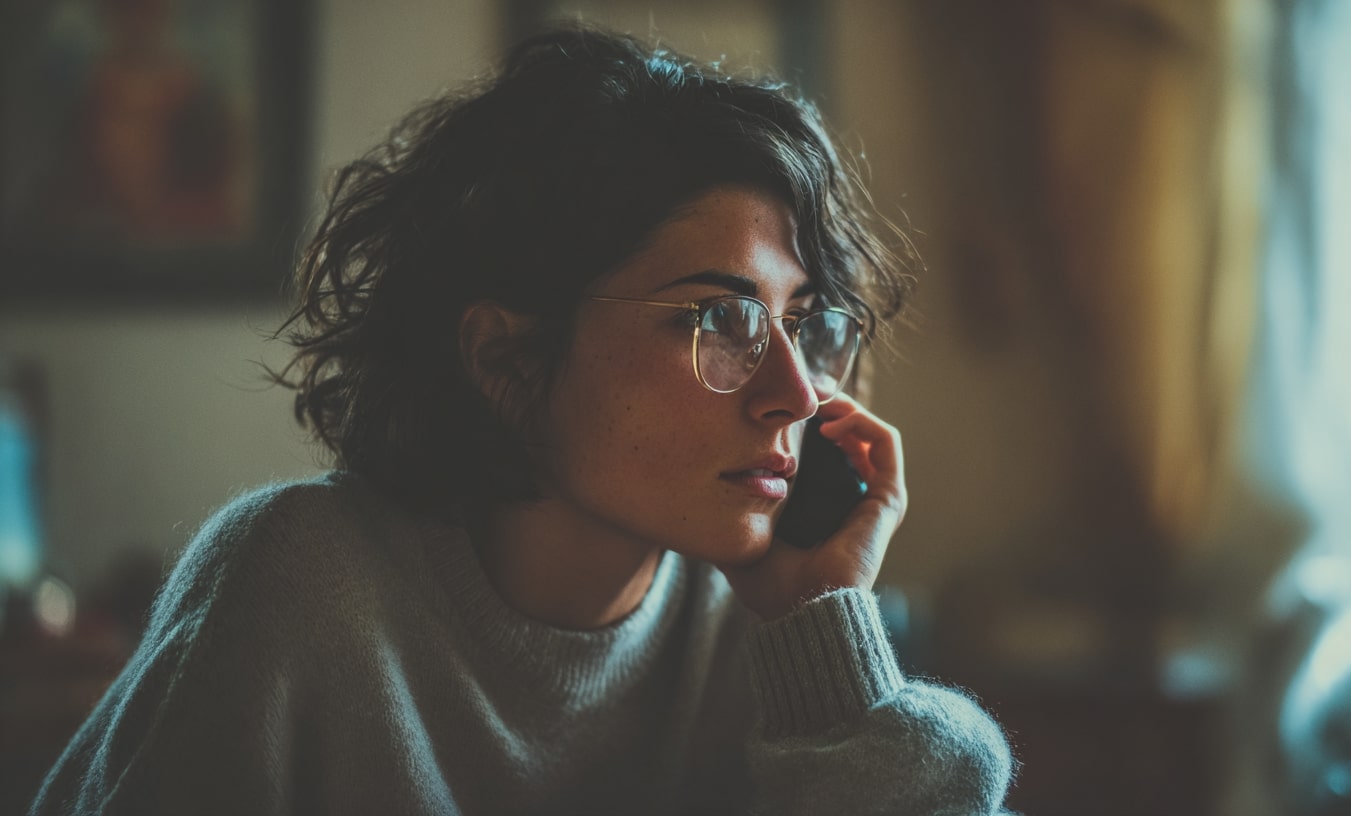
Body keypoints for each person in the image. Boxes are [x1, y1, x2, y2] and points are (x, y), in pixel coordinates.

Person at [30, 24, 1014, 816]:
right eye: (719, 318)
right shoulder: (303, 588)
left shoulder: (765, 623)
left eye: (804, 323)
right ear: (507, 359)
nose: (796, 394)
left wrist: (823, 642)